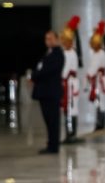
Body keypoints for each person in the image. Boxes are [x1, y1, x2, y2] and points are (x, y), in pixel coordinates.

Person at [32, 31, 65, 154]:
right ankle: (50, 143)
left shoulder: (58, 54)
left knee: (53, 120)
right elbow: (39, 69)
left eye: (51, 38)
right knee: (48, 119)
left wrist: (36, 75)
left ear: (56, 40)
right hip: (45, 92)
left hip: (52, 92)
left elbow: (46, 71)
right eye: (46, 39)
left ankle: (54, 146)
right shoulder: (47, 54)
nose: (48, 41)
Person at [60, 16, 81, 144]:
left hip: (70, 84)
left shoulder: (71, 53)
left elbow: (66, 70)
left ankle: (71, 133)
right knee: (68, 109)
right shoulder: (67, 52)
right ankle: (69, 132)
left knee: (70, 108)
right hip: (67, 83)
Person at [87, 21, 105, 131]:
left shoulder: (99, 54)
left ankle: (100, 123)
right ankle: (100, 122)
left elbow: (93, 68)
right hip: (100, 79)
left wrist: (89, 75)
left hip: (99, 80)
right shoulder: (102, 53)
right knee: (100, 102)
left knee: (100, 102)